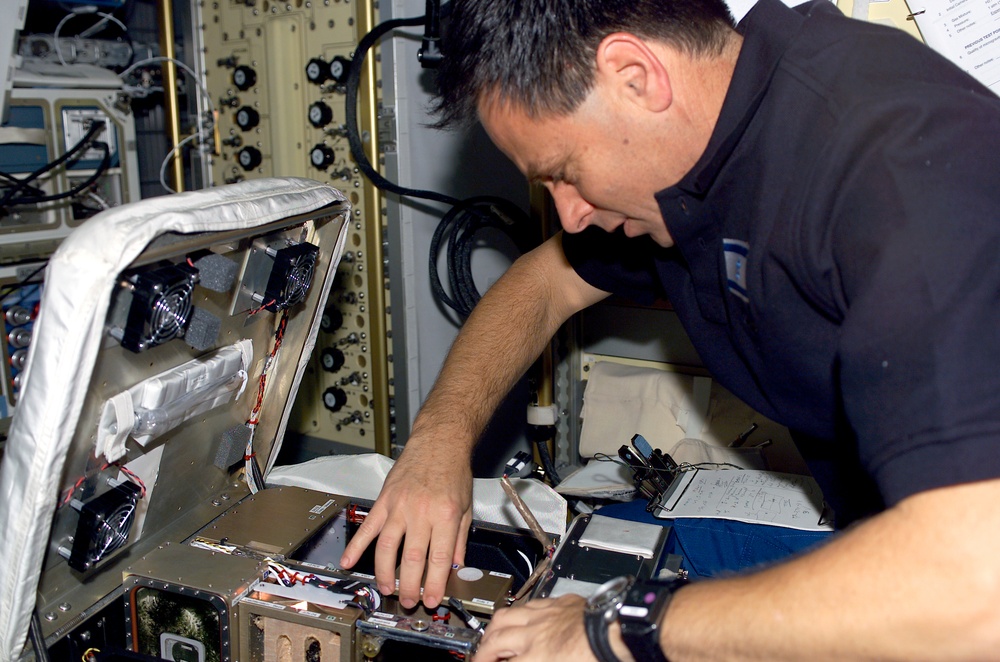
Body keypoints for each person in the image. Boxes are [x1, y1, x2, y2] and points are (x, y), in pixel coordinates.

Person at [340, 0, 1000, 659]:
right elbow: (544, 284)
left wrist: (618, 628)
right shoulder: (702, 152)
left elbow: (975, 584)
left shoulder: (899, 172)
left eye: (565, 174)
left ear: (636, 75)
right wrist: (440, 442)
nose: (568, 216)